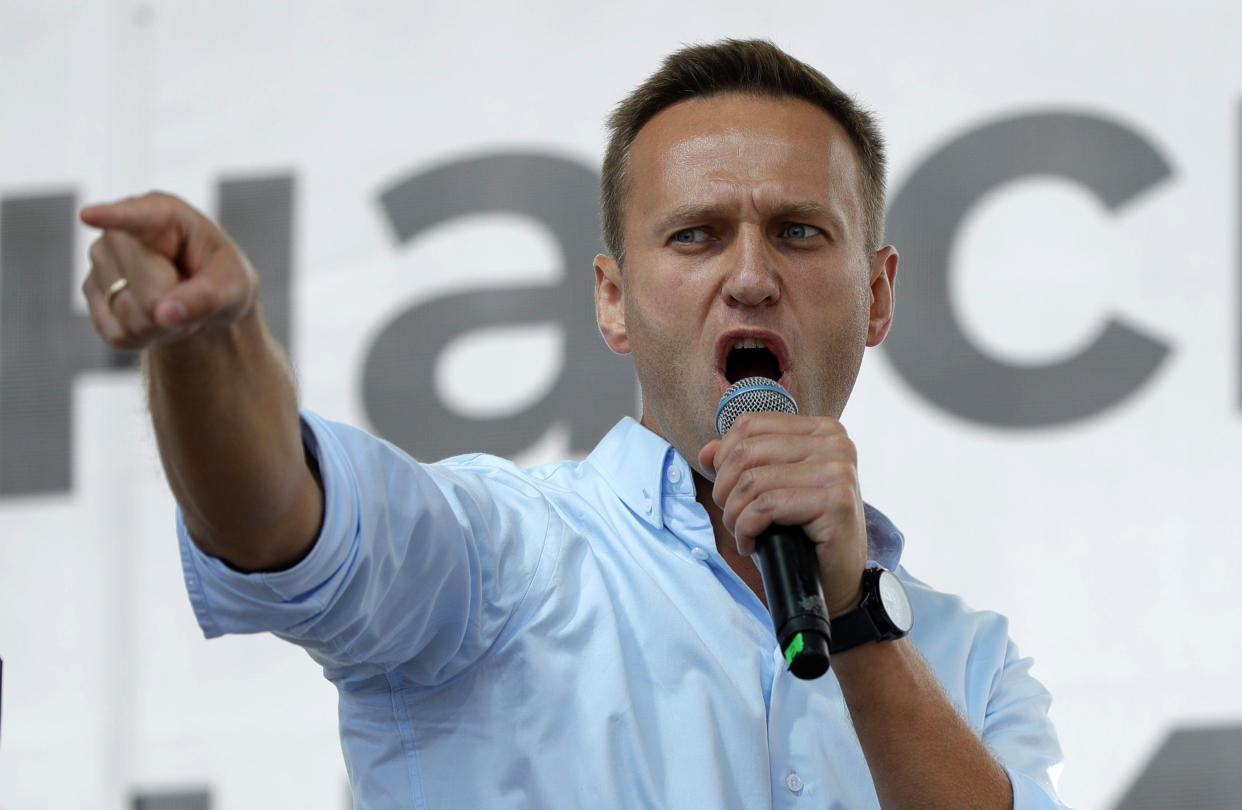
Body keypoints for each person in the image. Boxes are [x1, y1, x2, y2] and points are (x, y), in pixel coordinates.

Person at [80, 39, 1065, 809]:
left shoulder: (969, 661)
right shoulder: (492, 556)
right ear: (612, 301)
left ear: (879, 294)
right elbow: (275, 519)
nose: (753, 276)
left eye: (800, 232)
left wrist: (854, 616)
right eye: (697, 234)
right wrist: (209, 345)